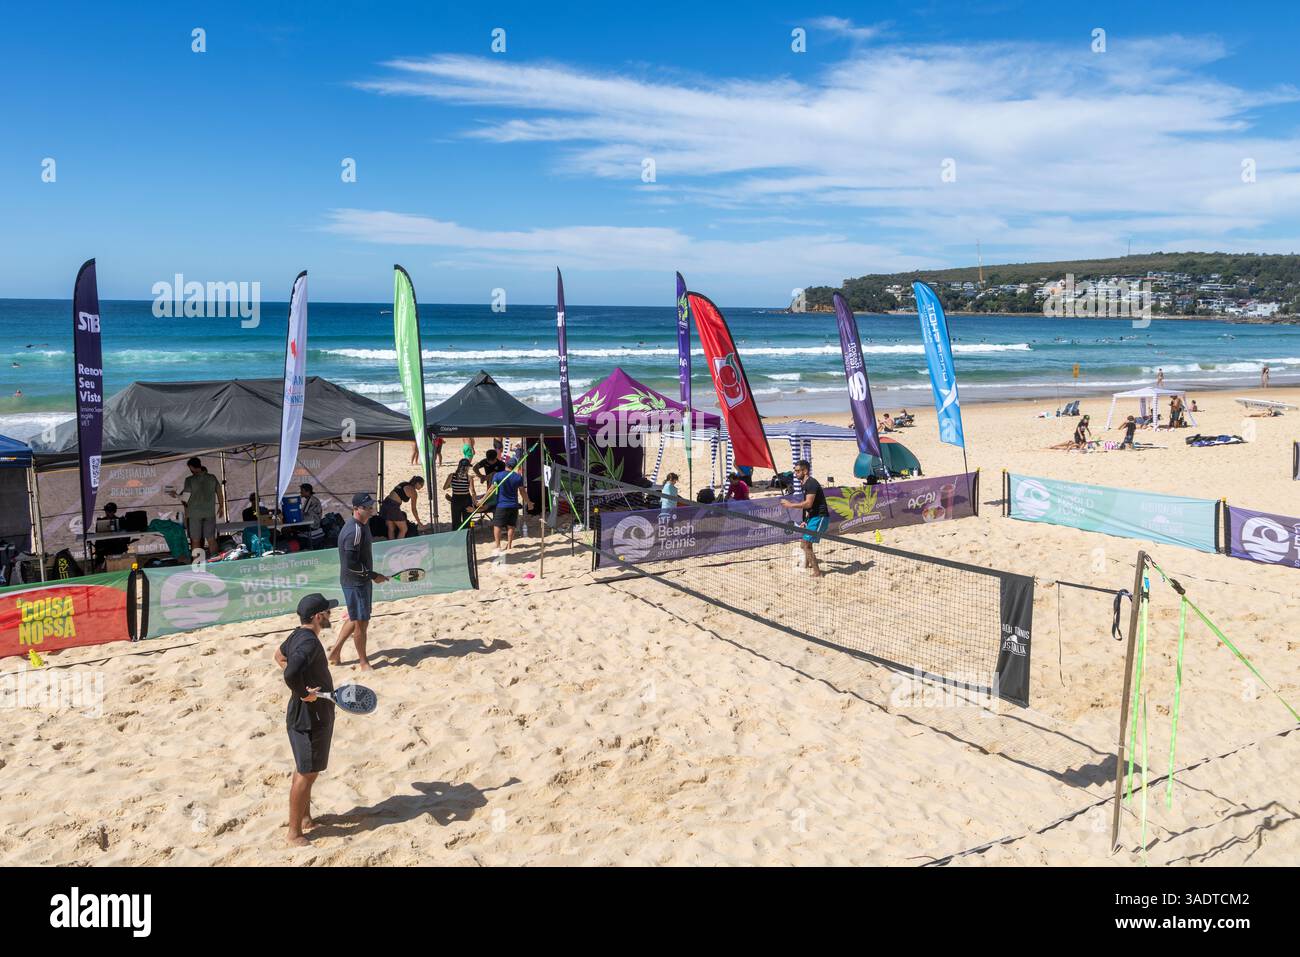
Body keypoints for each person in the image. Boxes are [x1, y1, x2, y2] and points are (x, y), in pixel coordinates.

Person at [275, 593, 339, 847]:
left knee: (306, 768)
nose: (330, 616)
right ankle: (294, 834)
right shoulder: (309, 643)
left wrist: (300, 689)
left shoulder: (296, 635)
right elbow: (290, 671)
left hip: (299, 714)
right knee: (306, 772)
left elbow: (279, 657)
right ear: (317, 616)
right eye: (328, 612)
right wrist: (304, 693)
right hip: (311, 717)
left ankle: (305, 819)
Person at [329, 493, 389, 670]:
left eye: (371, 506)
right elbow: (351, 563)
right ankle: (364, 662)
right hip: (356, 582)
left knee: (357, 618)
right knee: (361, 623)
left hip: (358, 580)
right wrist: (373, 575)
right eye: (366, 507)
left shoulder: (362, 525)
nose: (371, 510)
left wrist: (371, 575)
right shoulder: (354, 530)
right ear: (355, 509)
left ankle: (335, 651)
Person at [779, 459, 826, 577]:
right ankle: (809, 564)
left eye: (798, 471)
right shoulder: (804, 484)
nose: (795, 473)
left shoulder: (811, 483)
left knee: (806, 544)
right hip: (813, 517)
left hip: (820, 517)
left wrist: (790, 505)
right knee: (803, 545)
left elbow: (808, 504)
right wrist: (805, 521)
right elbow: (808, 506)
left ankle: (817, 572)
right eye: (795, 471)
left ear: (805, 471)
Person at [174, 457, 222, 557]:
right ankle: (216, 561)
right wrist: (221, 506)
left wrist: (174, 495)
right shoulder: (212, 477)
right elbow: (219, 491)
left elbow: (185, 498)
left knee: (195, 540)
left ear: (191, 467)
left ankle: (197, 564)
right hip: (209, 513)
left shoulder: (189, 480)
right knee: (211, 539)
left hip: (194, 514)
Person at [491, 457, 531, 551]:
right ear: (514, 467)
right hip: (513, 505)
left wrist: (482, 500)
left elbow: (491, 489)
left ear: (506, 464)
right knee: (511, 526)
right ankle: (509, 545)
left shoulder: (498, 475)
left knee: (497, 525)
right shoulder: (518, 477)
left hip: (502, 505)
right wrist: (529, 502)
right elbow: (522, 492)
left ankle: (498, 545)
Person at [443, 457, 477, 529]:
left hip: (455, 499)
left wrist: (453, 485)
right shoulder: (469, 477)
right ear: (467, 467)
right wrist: (474, 504)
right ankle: (468, 537)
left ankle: (457, 537)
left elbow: (444, 487)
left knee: (456, 521)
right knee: (468, 521)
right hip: (466, 499)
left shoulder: (452, 476)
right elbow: (473, 492)